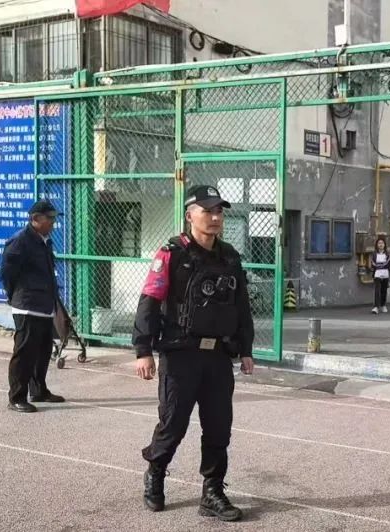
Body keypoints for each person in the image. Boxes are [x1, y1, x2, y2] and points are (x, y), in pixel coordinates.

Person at [132, 185, 254, 522]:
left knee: (219, 427)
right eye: (207, 211)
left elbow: (241, 305)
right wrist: (143, 349)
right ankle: (156, 472)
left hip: (218, 357)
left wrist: (246, 348)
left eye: (219, 211)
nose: (215, 217)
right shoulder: (172, 254)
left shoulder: (230, 257)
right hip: (180, 355)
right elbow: (150, 300)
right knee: (173, 424)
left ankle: (212, 492)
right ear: (190, 215)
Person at [0, 200, 65, 413]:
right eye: (49, 218)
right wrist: (15, 295)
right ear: (35, 219)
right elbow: (6, 274)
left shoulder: (45, 241)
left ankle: (39, 390)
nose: (53, 222)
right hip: (27, 306)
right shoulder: (20, 241)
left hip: (44, 305)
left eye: (54, 218)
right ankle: (17, 397)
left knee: (43, 350)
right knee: (25, 353)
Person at [370, 237, 390, 315]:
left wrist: (379, 265)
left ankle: (383, 305)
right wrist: (380, 265)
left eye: (382, 243)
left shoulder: (387, 254)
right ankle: (376, 306)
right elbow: (373, 264)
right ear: (377, 245)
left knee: (384, 290)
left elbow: (388, 264)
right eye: (379, 243)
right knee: (377, 290)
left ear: (384, 244)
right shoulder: (374, 254)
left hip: (385, 274)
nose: (380, 245)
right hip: (377, 274)